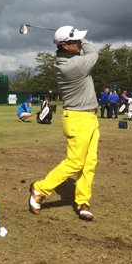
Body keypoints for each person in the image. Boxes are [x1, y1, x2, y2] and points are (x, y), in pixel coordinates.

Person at [29, 26, 100, 221]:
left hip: (89, 117)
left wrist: (74, 36)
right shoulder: (73, 65)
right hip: (78, 118)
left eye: (79, 40)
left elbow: (83, 50)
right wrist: (84, 41)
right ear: (65, 46)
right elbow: (94, 52)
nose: (79, 43)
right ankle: (39, 189)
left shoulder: (68, 58)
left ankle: (82, 201)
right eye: (75, 41)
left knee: (89, 163)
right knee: (75, 162)